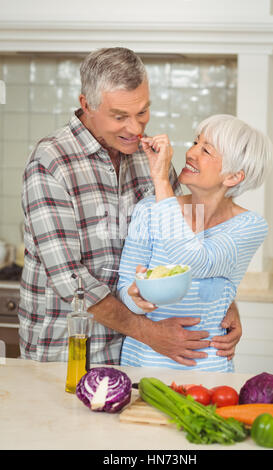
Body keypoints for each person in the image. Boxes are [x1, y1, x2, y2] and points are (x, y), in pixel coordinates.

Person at [18, 47, 241, 364]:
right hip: (70, 353)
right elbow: (71, 279)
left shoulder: (149, 155)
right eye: (120, 116)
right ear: (86, 104)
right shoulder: (51, 162)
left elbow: (188, 241)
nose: (135, 129)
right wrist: (150, 333)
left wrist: (226, 303)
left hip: (137, 355)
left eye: (142, 112)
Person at [117, 114, 273, 370]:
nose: (190, 153)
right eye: (195, 143)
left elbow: (193, 262)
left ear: (233, 177)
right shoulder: (149, 210)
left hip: (207, 371)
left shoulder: (249, 226)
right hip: (143, 365)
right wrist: (136, 300)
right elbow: (125, 286)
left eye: (206, 150)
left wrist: (160, 180)